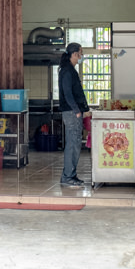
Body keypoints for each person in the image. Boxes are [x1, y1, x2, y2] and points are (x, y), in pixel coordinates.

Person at [58, 42, 90, 187]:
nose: (81, 56)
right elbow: (68, 93)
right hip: (71, 113)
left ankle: (71, 175)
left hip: (74, 112)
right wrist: (77, 111)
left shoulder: (70, 70)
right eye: (80, 53)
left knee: (75, 143)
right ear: (75, 54)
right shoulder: (66, 71)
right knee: (73, 143)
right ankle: (68, 176)